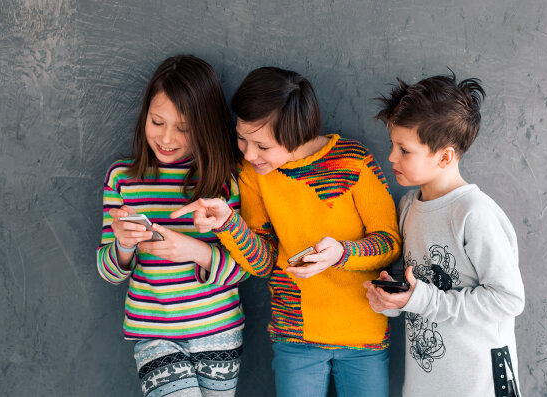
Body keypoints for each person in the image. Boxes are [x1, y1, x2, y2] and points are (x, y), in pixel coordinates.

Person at [172, 67, 402, 397]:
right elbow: (263, 264)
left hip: (364, 334)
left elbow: (390, 243)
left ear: (297, 136)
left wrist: (341, 252)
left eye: (262, 146)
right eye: (242, 138)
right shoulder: (253, 175)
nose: (249, 155)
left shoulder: (354, 163)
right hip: (294, 336)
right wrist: (227, 224)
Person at [363, 74, 525, 397]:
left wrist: (420, 299)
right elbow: (420, 291)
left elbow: (508, 299)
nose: (392, 157)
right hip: (426, 385)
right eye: (392, 146)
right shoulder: (409, 207)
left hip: (479, 385)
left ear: (445, 156)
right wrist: (393, 300)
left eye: (404, 150)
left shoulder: (473, 213)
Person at [96, 55, 248, 397]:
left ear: (205, 125)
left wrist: (196, 251)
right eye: (156, 121)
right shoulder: (122, 179)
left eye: (183, 128)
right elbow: (109, 272)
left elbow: (245, 268)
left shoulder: (225, 181)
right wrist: (122, 245)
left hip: (219, 329)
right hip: (154, 334)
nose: (167, 138)